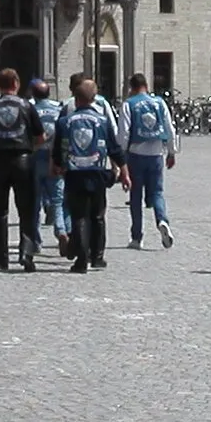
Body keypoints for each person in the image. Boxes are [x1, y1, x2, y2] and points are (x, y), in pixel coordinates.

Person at [53, 75, 128, 273]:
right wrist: (125, 173)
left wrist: (57, 167)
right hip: (97, 172)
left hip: (75, 173)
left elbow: (58, 149)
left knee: (79, 216)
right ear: (93, 99)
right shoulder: (102, 121)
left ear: (75, 99)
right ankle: (98, 257)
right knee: (97, 216)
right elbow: (115, 149)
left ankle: (81, 257)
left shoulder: (64, 122)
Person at [0, 69, 44, 271]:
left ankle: (1, 258)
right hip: (22, 159)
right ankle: (27, 254)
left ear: (0, 84)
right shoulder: (27, 106)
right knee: (27, 210)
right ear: (16, 83)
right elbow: (41, 137)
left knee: (0, 211)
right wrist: (31, 149)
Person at [120, 73, 178, 249]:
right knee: (157, 192)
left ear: (131, 88)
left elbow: (124, 132)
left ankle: (137, 237)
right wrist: (171, 151)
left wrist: (120, 155)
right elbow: (169, 127)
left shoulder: (129, 104)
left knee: (135, 195)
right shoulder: (159, 102)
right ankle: (162, 220)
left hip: (136, 153)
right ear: (146, 85)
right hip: (156, 153)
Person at [28, 77, 67, 253]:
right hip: (54, 157)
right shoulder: (58, 111)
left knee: (34, 202)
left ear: (32, 93)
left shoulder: (30, 111)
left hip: (34, 158)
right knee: (57, 201)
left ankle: (36, 241)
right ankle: (61, 230)